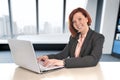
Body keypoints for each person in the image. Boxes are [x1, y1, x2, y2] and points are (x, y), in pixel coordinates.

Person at [37, 7, 105, 68]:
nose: (77, 23)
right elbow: (62, 54)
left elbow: (93, 59)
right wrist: (47, 57)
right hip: (73, 72)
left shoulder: (98, 37)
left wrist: (64, 62)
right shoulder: (74, 37)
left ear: (87, 19)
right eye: (74, 22)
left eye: (80, 19)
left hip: (87, 73)